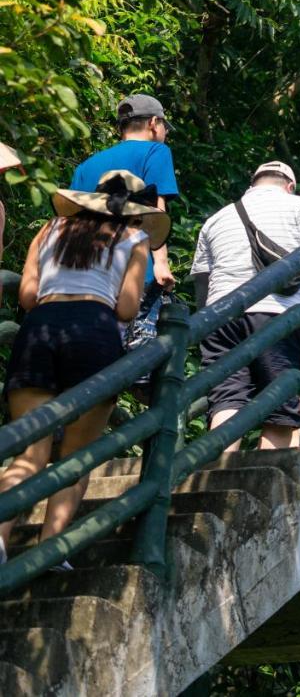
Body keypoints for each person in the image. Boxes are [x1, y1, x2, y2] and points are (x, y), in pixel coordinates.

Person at [0, 170, 164, 565]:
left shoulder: (51, 228)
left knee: (27, 453)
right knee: (77, 455)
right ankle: (50, 550)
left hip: (40, 328)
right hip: (94, 333)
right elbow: (125, 307)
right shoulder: (134, 239)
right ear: (135, 213)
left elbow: (26, 295)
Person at [190, 161, 300, 452]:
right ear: (289, 186)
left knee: (227, 399)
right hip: (277, 313)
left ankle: (220, 471)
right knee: (279, 407)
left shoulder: (217, 218)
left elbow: (202, 279)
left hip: (219, 315)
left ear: (252, 184)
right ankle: (263, 483)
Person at [71, 94, 180, 291]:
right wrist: (162, 264)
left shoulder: (85, 167)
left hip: (86, 273)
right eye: (165, 126)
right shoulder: (156, 151)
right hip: (134, 273)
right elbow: (156, 210)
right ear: (154, 123)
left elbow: (71, 221)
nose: (166, 133)